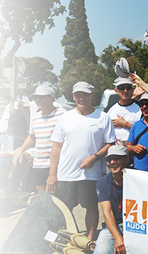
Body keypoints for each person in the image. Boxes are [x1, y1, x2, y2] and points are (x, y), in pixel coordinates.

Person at [47, 81, 116, 240]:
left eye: (84, 95)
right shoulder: (65, 118)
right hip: (65, 174)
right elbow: (56, 147)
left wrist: (95, 158)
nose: (81, 98)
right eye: (78, 95)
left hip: (90, 174)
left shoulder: (103, 118)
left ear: (92, 96)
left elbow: (110, 144)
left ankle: (90, 241)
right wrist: (52, 175)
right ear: (73, 96)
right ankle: (70, 239)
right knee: (65, 209)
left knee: (91, 207)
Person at [12, 86, 67, 192]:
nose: (38, 100)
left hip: (56, 165)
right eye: (36, 97)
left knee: (55, 201)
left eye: (41, 97)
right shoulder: (36, 117)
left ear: (51, 98)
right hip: (38, 164)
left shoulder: (63, 115)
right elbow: (32, 138)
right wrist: (21, 150)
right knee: (42, 199)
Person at [94, 145, 128, 254]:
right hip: (113, 226)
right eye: (109, 159)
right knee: (101, 251)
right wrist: (117, 238)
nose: (112, 162)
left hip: (136, 227)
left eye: (116, 158)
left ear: (126, 159)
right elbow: (107, 213)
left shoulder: (138, 178)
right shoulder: (102, 183)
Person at [107, 77, 141, 145]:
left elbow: (146, 130)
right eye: (121, 88)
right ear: (116, 90)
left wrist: (126, 124)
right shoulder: (109, 109)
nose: (125, 91)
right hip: (114, 149)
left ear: (132, 90)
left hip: (134, 148)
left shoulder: (141, 108)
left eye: (128, 88)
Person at [6, 99, 31, 192]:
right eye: (25, 108)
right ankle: (10, 186)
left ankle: (22, 184)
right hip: (15, 146)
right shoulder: (15, 117)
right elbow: (9, 132)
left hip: (22, 146)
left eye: (28, 108)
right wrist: (22, 138)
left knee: (27, 163)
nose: (27, 110)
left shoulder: (23, 117)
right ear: (19, 107)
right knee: (14, 165)